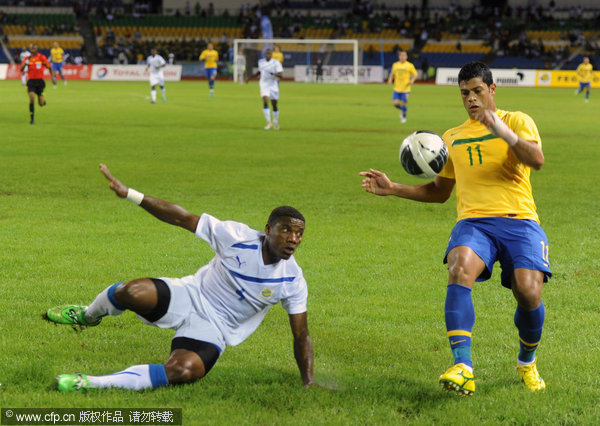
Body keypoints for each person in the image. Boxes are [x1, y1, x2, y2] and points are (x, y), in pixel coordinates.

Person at [360, 61, 550, 396]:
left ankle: (527, 361)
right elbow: (440, 191)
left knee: (528, 290)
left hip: (520, 220)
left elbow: (536, 159)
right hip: (474, 221)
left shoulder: (516, 120)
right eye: (465, 93)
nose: (471, 99)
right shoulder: (452, 138)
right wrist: (393, 188)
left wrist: (500, 129)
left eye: (478, 91)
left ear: (492, 90)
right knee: (459, 267)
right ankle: (463, 366)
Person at [45, 164, 316, 392]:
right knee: (131, 292)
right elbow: (182, 218)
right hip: (190, 295)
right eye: (286, 230)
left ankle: (89, 383)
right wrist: (131, 194)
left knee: (183, 371)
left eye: (299, 234)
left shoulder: (292, 280)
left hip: (216, 329)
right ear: (268, 229)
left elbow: (301, 334)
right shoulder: (237, 237)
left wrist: (309, 381)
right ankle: (86, 316)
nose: (293, 239)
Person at [246, 48, 283, 130]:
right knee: (265, 101)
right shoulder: (261, 62)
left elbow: (281, 75)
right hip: (264, 84)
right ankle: (268, 122)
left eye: (269, 54)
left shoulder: (276, 63)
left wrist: (274, 74)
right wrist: (250, 78)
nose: (267, 55)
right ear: (264, 54)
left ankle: (275, 121)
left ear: (271, 55)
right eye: (266, 54)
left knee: (274, 105)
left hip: (273, 85)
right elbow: (259, 72)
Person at [20, 44, 54, 125]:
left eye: (34, 48)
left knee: (41, 104)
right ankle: (32, 119)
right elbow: (21, 69)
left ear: (36, 49)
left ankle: (42, 100)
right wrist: (25, 63)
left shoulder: (41, 57)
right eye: (31, 48)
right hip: (31, 81)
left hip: (40, 82)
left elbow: (49, 66)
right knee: (31, 98)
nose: (32, 49)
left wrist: (52, 77)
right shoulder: (27, 58)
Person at [387, 50, 417, 123]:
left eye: (404, 55)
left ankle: (404, 117)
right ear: (399, 57)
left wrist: (412, 80)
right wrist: (390, 79)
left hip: (406, 88)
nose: (403, 57)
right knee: (395, 103)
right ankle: (402, 110)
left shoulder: (410, 65)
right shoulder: (395, 65)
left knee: (404, 103)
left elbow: (415, 74)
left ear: (406, 57)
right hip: (397, 88)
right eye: (401, 55)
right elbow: (392, 74)